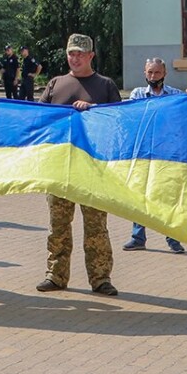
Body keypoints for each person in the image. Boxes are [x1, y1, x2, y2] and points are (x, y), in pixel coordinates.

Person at [35, 34, 120, 297]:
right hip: (60, 168)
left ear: (91, 56)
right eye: (71, 53)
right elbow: (39, 120)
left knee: (96, 227)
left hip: (93, 169)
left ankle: (100, 278)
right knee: (58, 226)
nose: (75, 58)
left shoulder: (105, 85)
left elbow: (118, 123)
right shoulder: (56, 84)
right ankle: (56, 275)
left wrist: (93, 110)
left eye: (81, 54)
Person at [122, 58, 184, 254]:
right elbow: (131, 116)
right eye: (149, 72)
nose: (153, 76)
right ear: (144, 72)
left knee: (168, 195)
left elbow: (184, 115)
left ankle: (173, 238)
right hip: (143, 152)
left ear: (164, 73)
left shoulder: (175, 95)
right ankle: (138, 237)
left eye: (157, 73)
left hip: (167, 153)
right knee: (139, 194)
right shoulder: (137, 94)